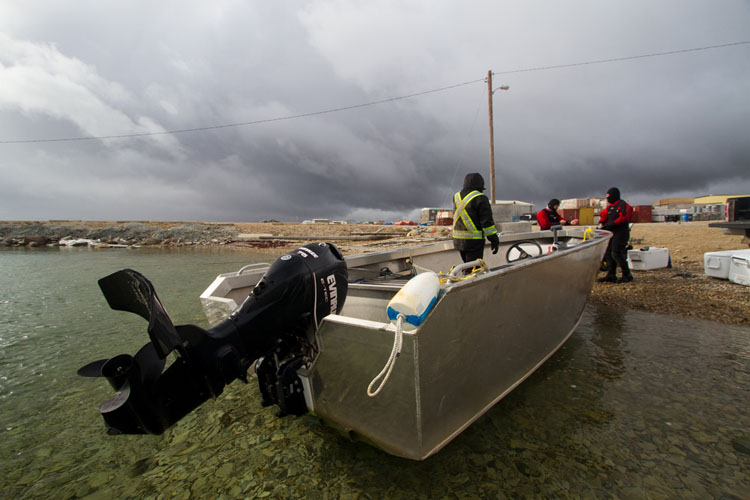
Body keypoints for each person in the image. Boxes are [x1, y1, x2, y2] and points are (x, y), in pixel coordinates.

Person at [452, 173, 500, 263]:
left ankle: (467, 273)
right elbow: (487, 224)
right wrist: (494, 240)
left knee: (467, 265)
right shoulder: (480, 198)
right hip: (474, 242)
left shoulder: (456, 197)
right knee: (474, 269)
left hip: (458, 240)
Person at [597, 187, 633, 283]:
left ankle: (627, 274)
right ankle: (611, 274)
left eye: (609, 196)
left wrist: (612, 224)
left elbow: (624, 217)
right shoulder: (609, 208)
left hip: (621, 232)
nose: (608, 199)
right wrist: (601, 224)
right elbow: (603, 216)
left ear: (614, 196)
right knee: (608, 252)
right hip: (611, 232)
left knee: (616, 253)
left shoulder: (623, 205)